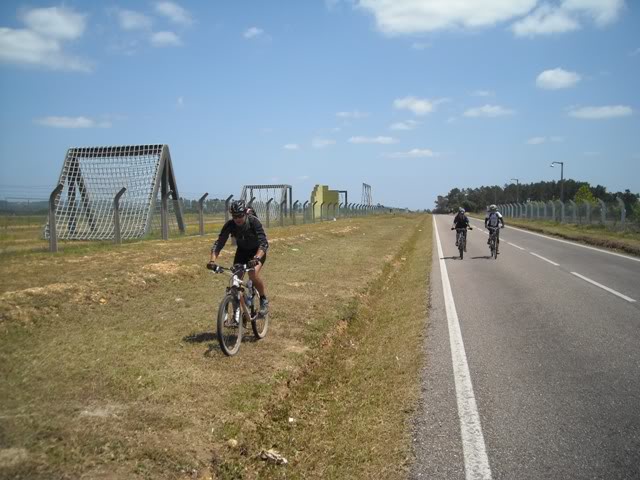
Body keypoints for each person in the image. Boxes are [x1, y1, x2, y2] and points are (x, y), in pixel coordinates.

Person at [208, 200, 270, 316]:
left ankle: (263, 299)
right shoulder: (230, 225)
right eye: (235, 216)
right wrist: (212, 261)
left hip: (257, 251)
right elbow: (219, 244)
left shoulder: (253, 221)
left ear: (245, 213)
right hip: (242, 251)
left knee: (252, 273)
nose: (237, 219)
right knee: (235, 280)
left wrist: (256, 258)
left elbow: (264, 243)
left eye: (240, 215)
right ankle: (238, 310)